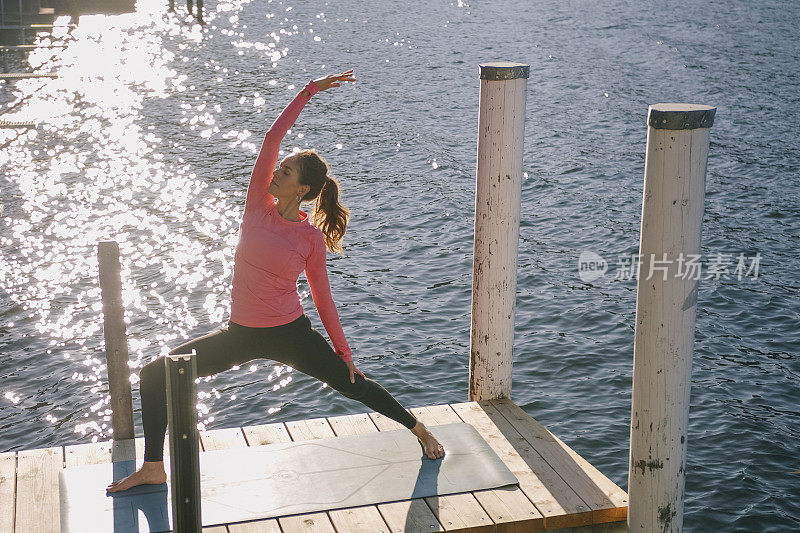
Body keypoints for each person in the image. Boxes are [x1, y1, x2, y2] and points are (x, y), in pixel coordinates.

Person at [107, 69, 444, 493]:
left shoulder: (309, 237)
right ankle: (153, 465)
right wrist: (309, 91)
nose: (275, 174)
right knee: (156, 374)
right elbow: (271, 139)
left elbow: (323, 299)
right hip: (240, 335)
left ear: (301, 189)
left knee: (353, 385)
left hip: (290, 334)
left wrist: (343, 350)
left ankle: (419, 429)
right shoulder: (257, 205)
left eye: (285, 173)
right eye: (279, 169)